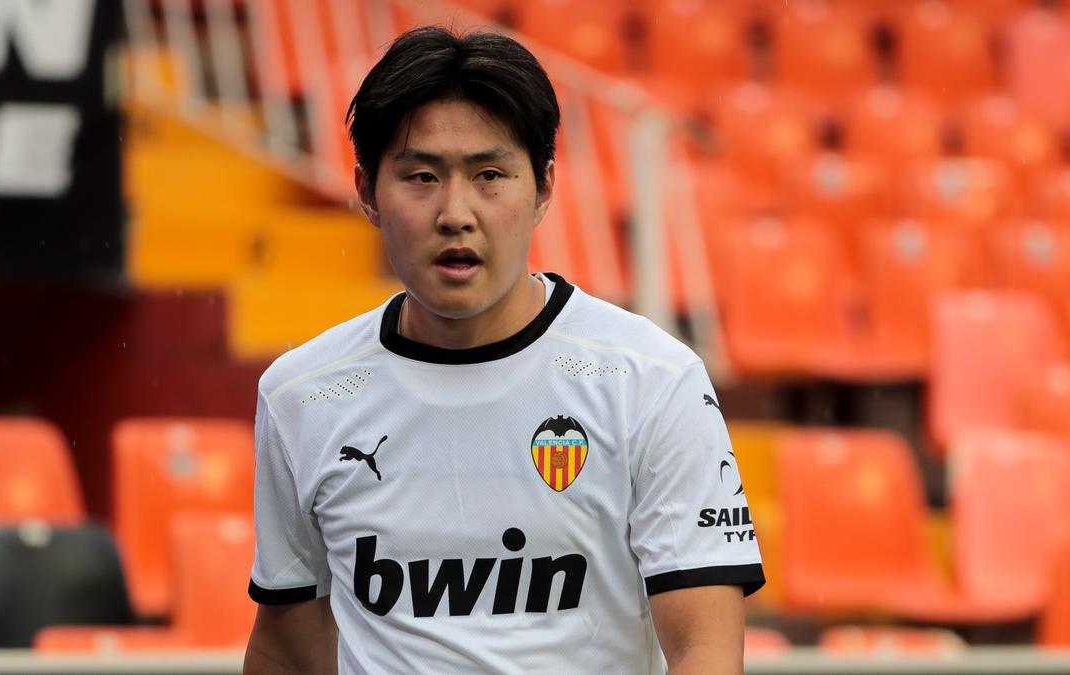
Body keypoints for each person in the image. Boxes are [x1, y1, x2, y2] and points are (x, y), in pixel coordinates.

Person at [244, 25, 764, 675]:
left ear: (544, 186)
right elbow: (287, 649)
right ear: (367, 192)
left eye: (489, 174)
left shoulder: (655, 381)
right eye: (422, 176)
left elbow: (706, 650)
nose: (456, 212)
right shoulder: (301, 395)